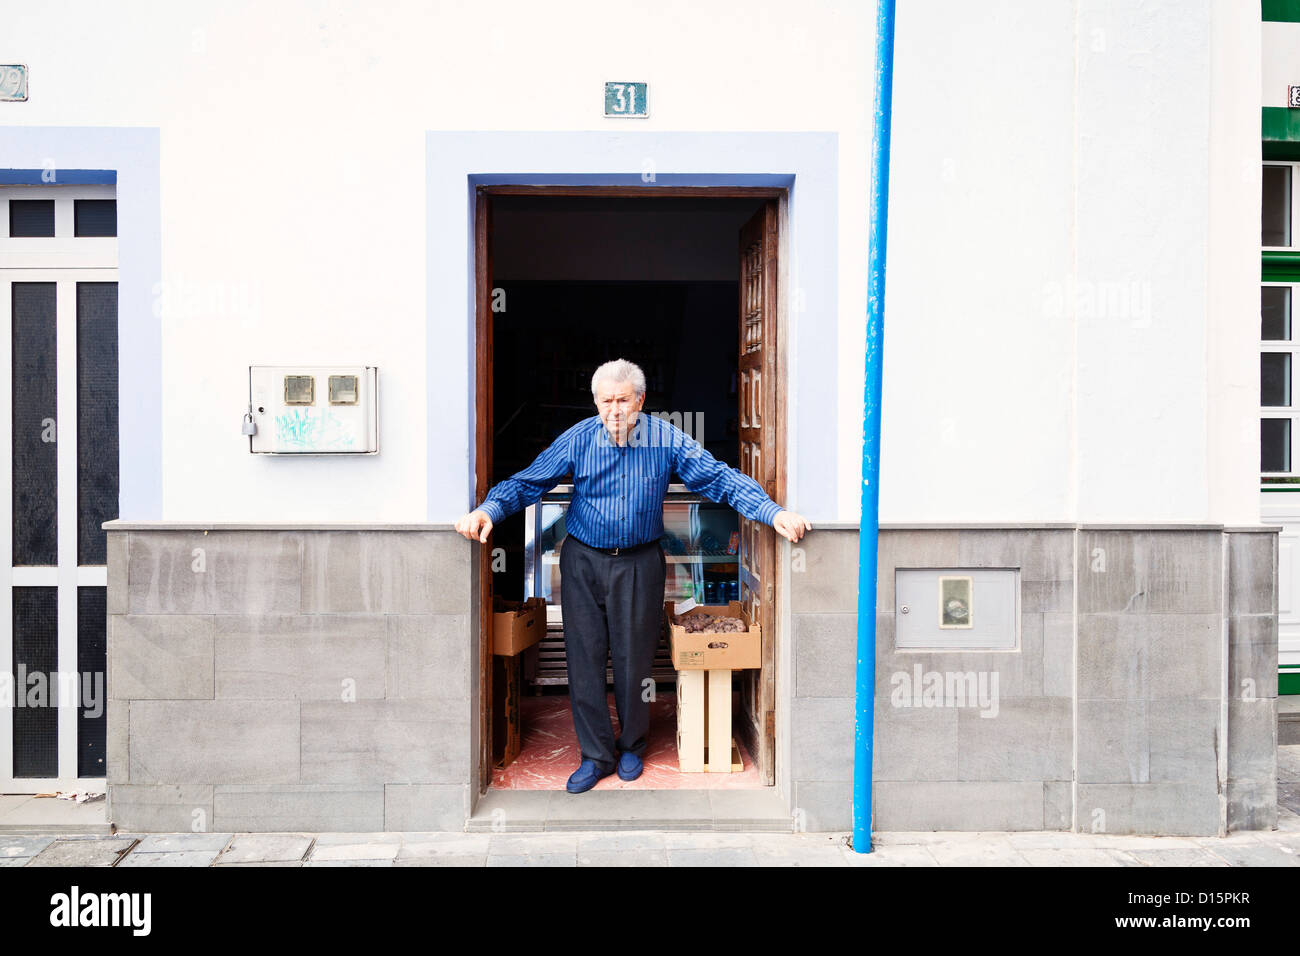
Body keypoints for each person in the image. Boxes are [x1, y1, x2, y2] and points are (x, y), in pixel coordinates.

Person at [454, 358, 810, 793]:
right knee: (583, 658)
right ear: (595, 403)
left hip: (641, 562)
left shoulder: (666, 439)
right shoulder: (578, 439)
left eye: (623, 400)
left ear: (640, 401)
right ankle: (595, 755)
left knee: (634, 660)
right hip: (583, 560)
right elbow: (530, 481)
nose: (615, 410)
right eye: (606, 401)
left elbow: (720, 478)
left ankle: (631, 746)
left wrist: (772, 512)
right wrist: (489, 509)